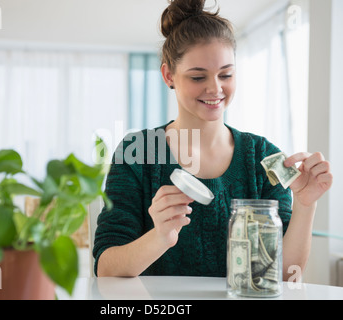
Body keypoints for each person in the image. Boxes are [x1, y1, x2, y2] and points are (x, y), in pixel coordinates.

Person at [93, 0, 333, 280]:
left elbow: (279, 274)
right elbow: (106, 269)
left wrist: (305, 204)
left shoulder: (263, 157)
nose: (215, 88)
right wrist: (160, 237)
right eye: (198, 77)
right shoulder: (138, 152)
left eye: (226, 74)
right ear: (168, 74)